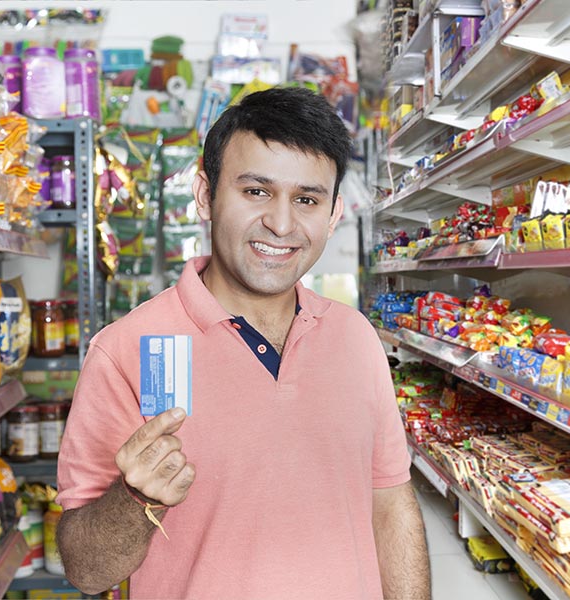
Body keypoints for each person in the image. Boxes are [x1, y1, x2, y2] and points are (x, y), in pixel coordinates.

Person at [55, 86, 430, 599]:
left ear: (335, 212)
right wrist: (135, 497)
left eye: (306, 199)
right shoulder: (124, 351)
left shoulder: (357, 339)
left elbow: (390, 502)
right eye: (256, 191)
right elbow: (85, 569)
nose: (280, 224)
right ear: (206, 194)